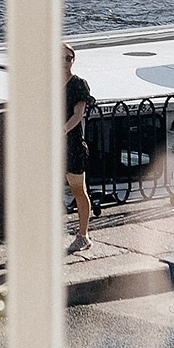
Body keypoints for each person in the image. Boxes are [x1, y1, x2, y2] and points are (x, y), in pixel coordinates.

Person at [63, 43, 94, 257]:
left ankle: (83, 235)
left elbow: (78, 114)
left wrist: (59, 131)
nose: (65, 61)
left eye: (69, 57)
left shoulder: (78, 85)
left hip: (71, 145)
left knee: (78, 191)